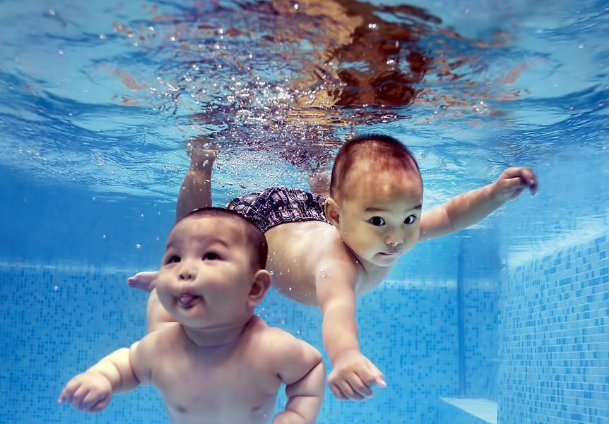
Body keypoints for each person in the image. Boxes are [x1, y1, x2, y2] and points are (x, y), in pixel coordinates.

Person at [129, 134, 538, 401]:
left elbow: (449, 214)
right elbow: (338, 312)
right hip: (261, 225)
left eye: (410, 218)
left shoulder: (390, 231)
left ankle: (318, 170)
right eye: (378, 221)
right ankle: (201, 161)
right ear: (338, 218)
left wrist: (495, 193)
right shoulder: (337, 265)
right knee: (197, 228)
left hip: (309, 214)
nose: (395, 239)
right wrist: (346, 356)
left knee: (338, 197)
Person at [59, 208, 326, 424]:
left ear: (254, 288)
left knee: (165, 318)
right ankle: (158, 289)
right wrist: (101, 378)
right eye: (174, 259)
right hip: (171, 338)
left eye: (210, 256)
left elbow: (310, 370)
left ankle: (159, 286)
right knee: (161, 323)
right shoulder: (160, 349)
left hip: (177, 328)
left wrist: (298, 415)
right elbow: (126, 364)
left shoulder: (271, 349)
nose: (185, 269)